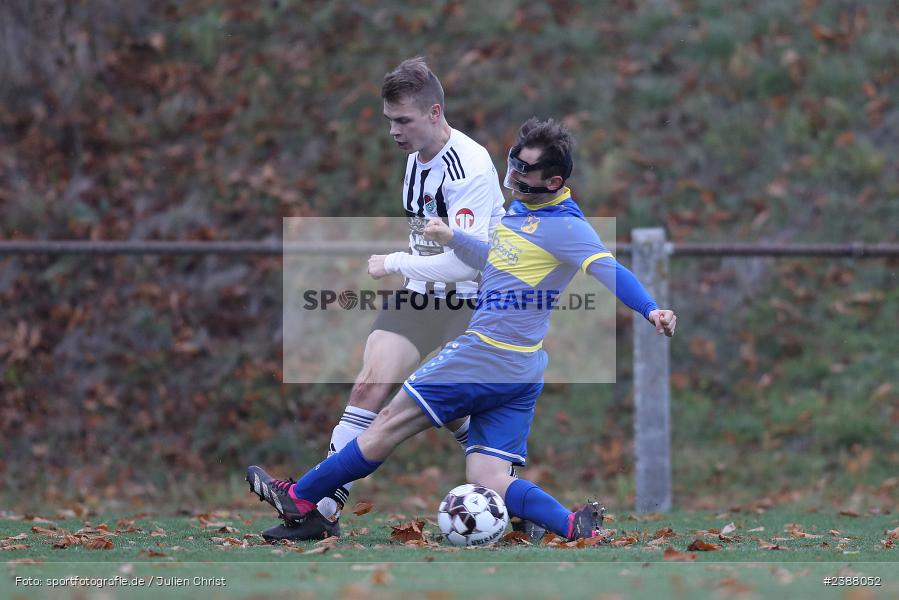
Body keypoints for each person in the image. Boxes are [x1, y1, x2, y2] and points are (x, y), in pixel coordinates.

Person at [248, 118, 677, 542]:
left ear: (554, 180)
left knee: (387, 423)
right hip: (521, 368)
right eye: (513, 162)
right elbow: (499, 257)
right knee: (489, 477)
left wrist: (650, 309)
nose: (512, 174)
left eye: (524, 170)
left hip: (484, 355)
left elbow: (609, 268)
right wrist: (454, 237)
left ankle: (301, 498)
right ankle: (571, 524)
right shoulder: (524, 211)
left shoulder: (567, 226)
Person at [259, 57, 507, 541]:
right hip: (421, 296)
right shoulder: (416, 158)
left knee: (460, 415)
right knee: (368, 389)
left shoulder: (470, 167)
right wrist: (409, 268)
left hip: (472, 300)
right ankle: (319, 510)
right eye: (390, 120)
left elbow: (464, 263)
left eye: (404, 121)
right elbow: (428, 244)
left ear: (435, 113)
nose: (394, 131)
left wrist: (393, 262)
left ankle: (511, 496)